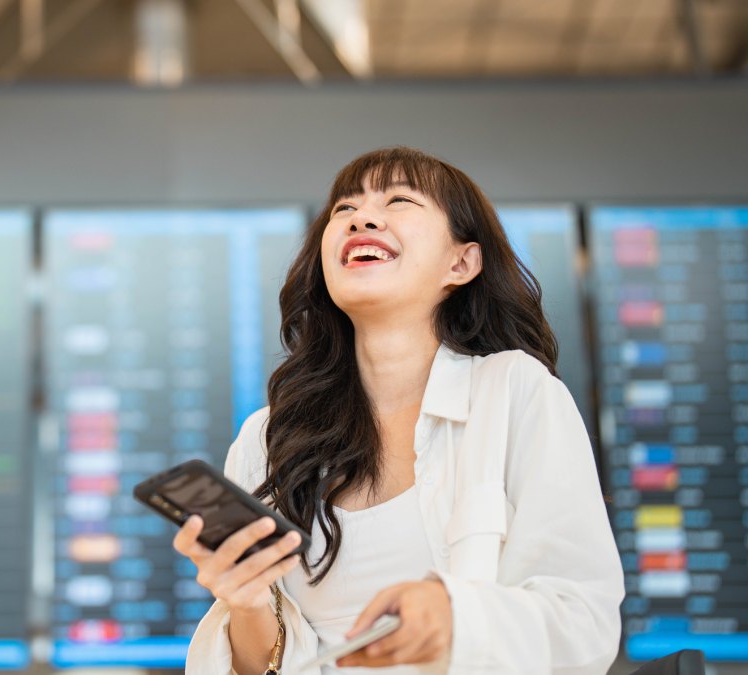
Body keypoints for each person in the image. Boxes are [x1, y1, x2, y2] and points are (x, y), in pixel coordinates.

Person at [173, 147, 624, 674]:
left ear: (462, 263)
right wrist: (246, 602)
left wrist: (456, 616)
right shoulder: (268, 438)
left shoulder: (517, 392)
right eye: (345, 208)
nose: (362, 217)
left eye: (401, 199)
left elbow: (584, 624)